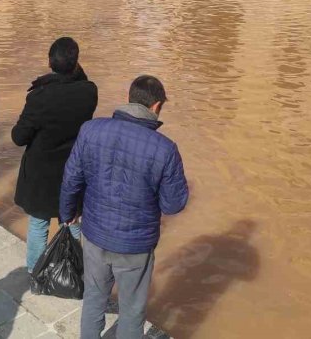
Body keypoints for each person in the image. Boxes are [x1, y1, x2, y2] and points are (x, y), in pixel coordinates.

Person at [60, 75, 189, 339]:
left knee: (94, 298)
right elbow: (173, 204)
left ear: (129, 98)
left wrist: (67, 214)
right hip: (135, 245)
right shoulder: (165, 149)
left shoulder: (91, 129)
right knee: (131, 310)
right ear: (156, 107)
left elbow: (71, 177)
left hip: (94, 234)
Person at [11, 37, 97, 279]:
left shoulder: (40, 96)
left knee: (39, 223)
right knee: (71, 221)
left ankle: (35, 270)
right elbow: (81, 81)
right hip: (73, 168)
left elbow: (19, 137)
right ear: (77, 64)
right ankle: (71, 271)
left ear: (50, 63)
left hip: (41, 173)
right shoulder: (89, 92)